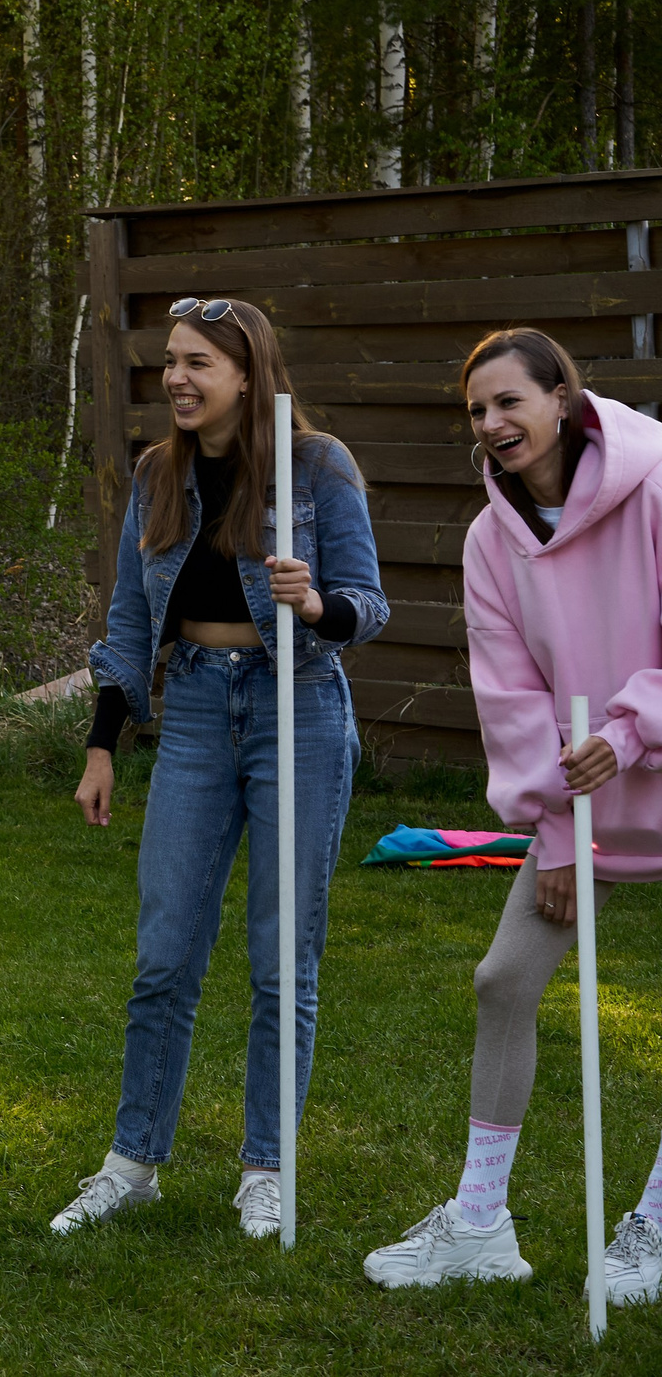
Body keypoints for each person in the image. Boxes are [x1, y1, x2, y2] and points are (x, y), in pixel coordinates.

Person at [53, 296, 387, 1239]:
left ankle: (265, 1166)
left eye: (200, 362)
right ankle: (134, 1160)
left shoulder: (317, 466)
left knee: (284, 956)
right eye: (171, 362)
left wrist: (316, 603)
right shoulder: (160, 472)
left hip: (299, 707)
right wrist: (100, 744)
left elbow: (371, 603)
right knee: (164, 953)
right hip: (197, 708)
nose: (179, 379)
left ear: (250, 373)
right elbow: (127, 620)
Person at [363, 331, 662, 1296]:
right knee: (504, 979)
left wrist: (630, 728)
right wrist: (554, 831)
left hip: (644, 749)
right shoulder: (491, 539)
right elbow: (512, 695)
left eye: (509, 402)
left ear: (564, 397)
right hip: (582, 798)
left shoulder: (656, 483)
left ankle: (655, 1225)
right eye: (477, 412)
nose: (492, 424)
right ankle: (481, 1223)